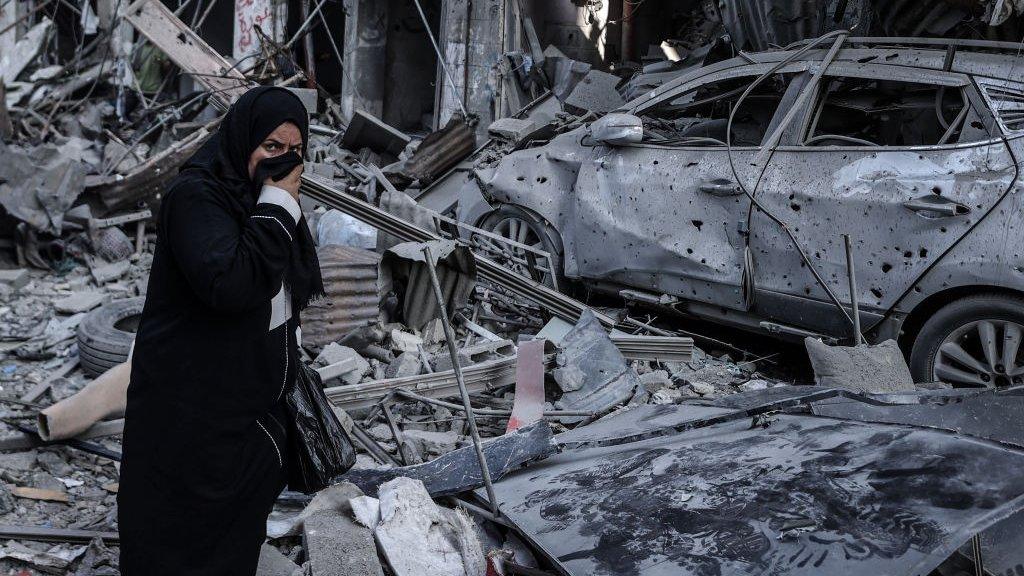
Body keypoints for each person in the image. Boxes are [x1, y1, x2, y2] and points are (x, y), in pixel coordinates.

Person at [118, 86, 323, 575]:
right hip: (187, 416)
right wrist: (277, 204)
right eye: (271, 149)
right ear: (242, 140)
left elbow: (280, 293)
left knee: (231, 539)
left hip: (242, 417)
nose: (285, 163)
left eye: (296, 152)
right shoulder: (198, 198)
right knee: (175, 537)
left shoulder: (259, 201)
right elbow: (230, 285)